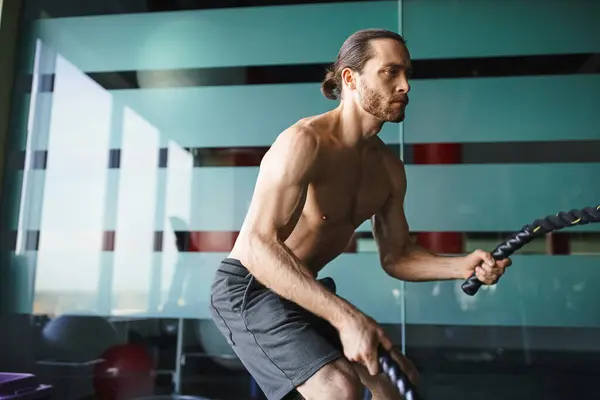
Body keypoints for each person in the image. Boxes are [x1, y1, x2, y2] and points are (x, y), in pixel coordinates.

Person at [209, 29, 512, 400]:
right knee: (339, 388)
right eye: (390, 72)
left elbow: (397, 256)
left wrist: (461, 265)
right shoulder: (305, 142)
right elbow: (258, 246)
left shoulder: (387, 168)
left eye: (407, 74)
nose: (405, 86)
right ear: (350, 79)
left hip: (302, 286)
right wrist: (345, 317)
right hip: (250, 288)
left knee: (395, 381)